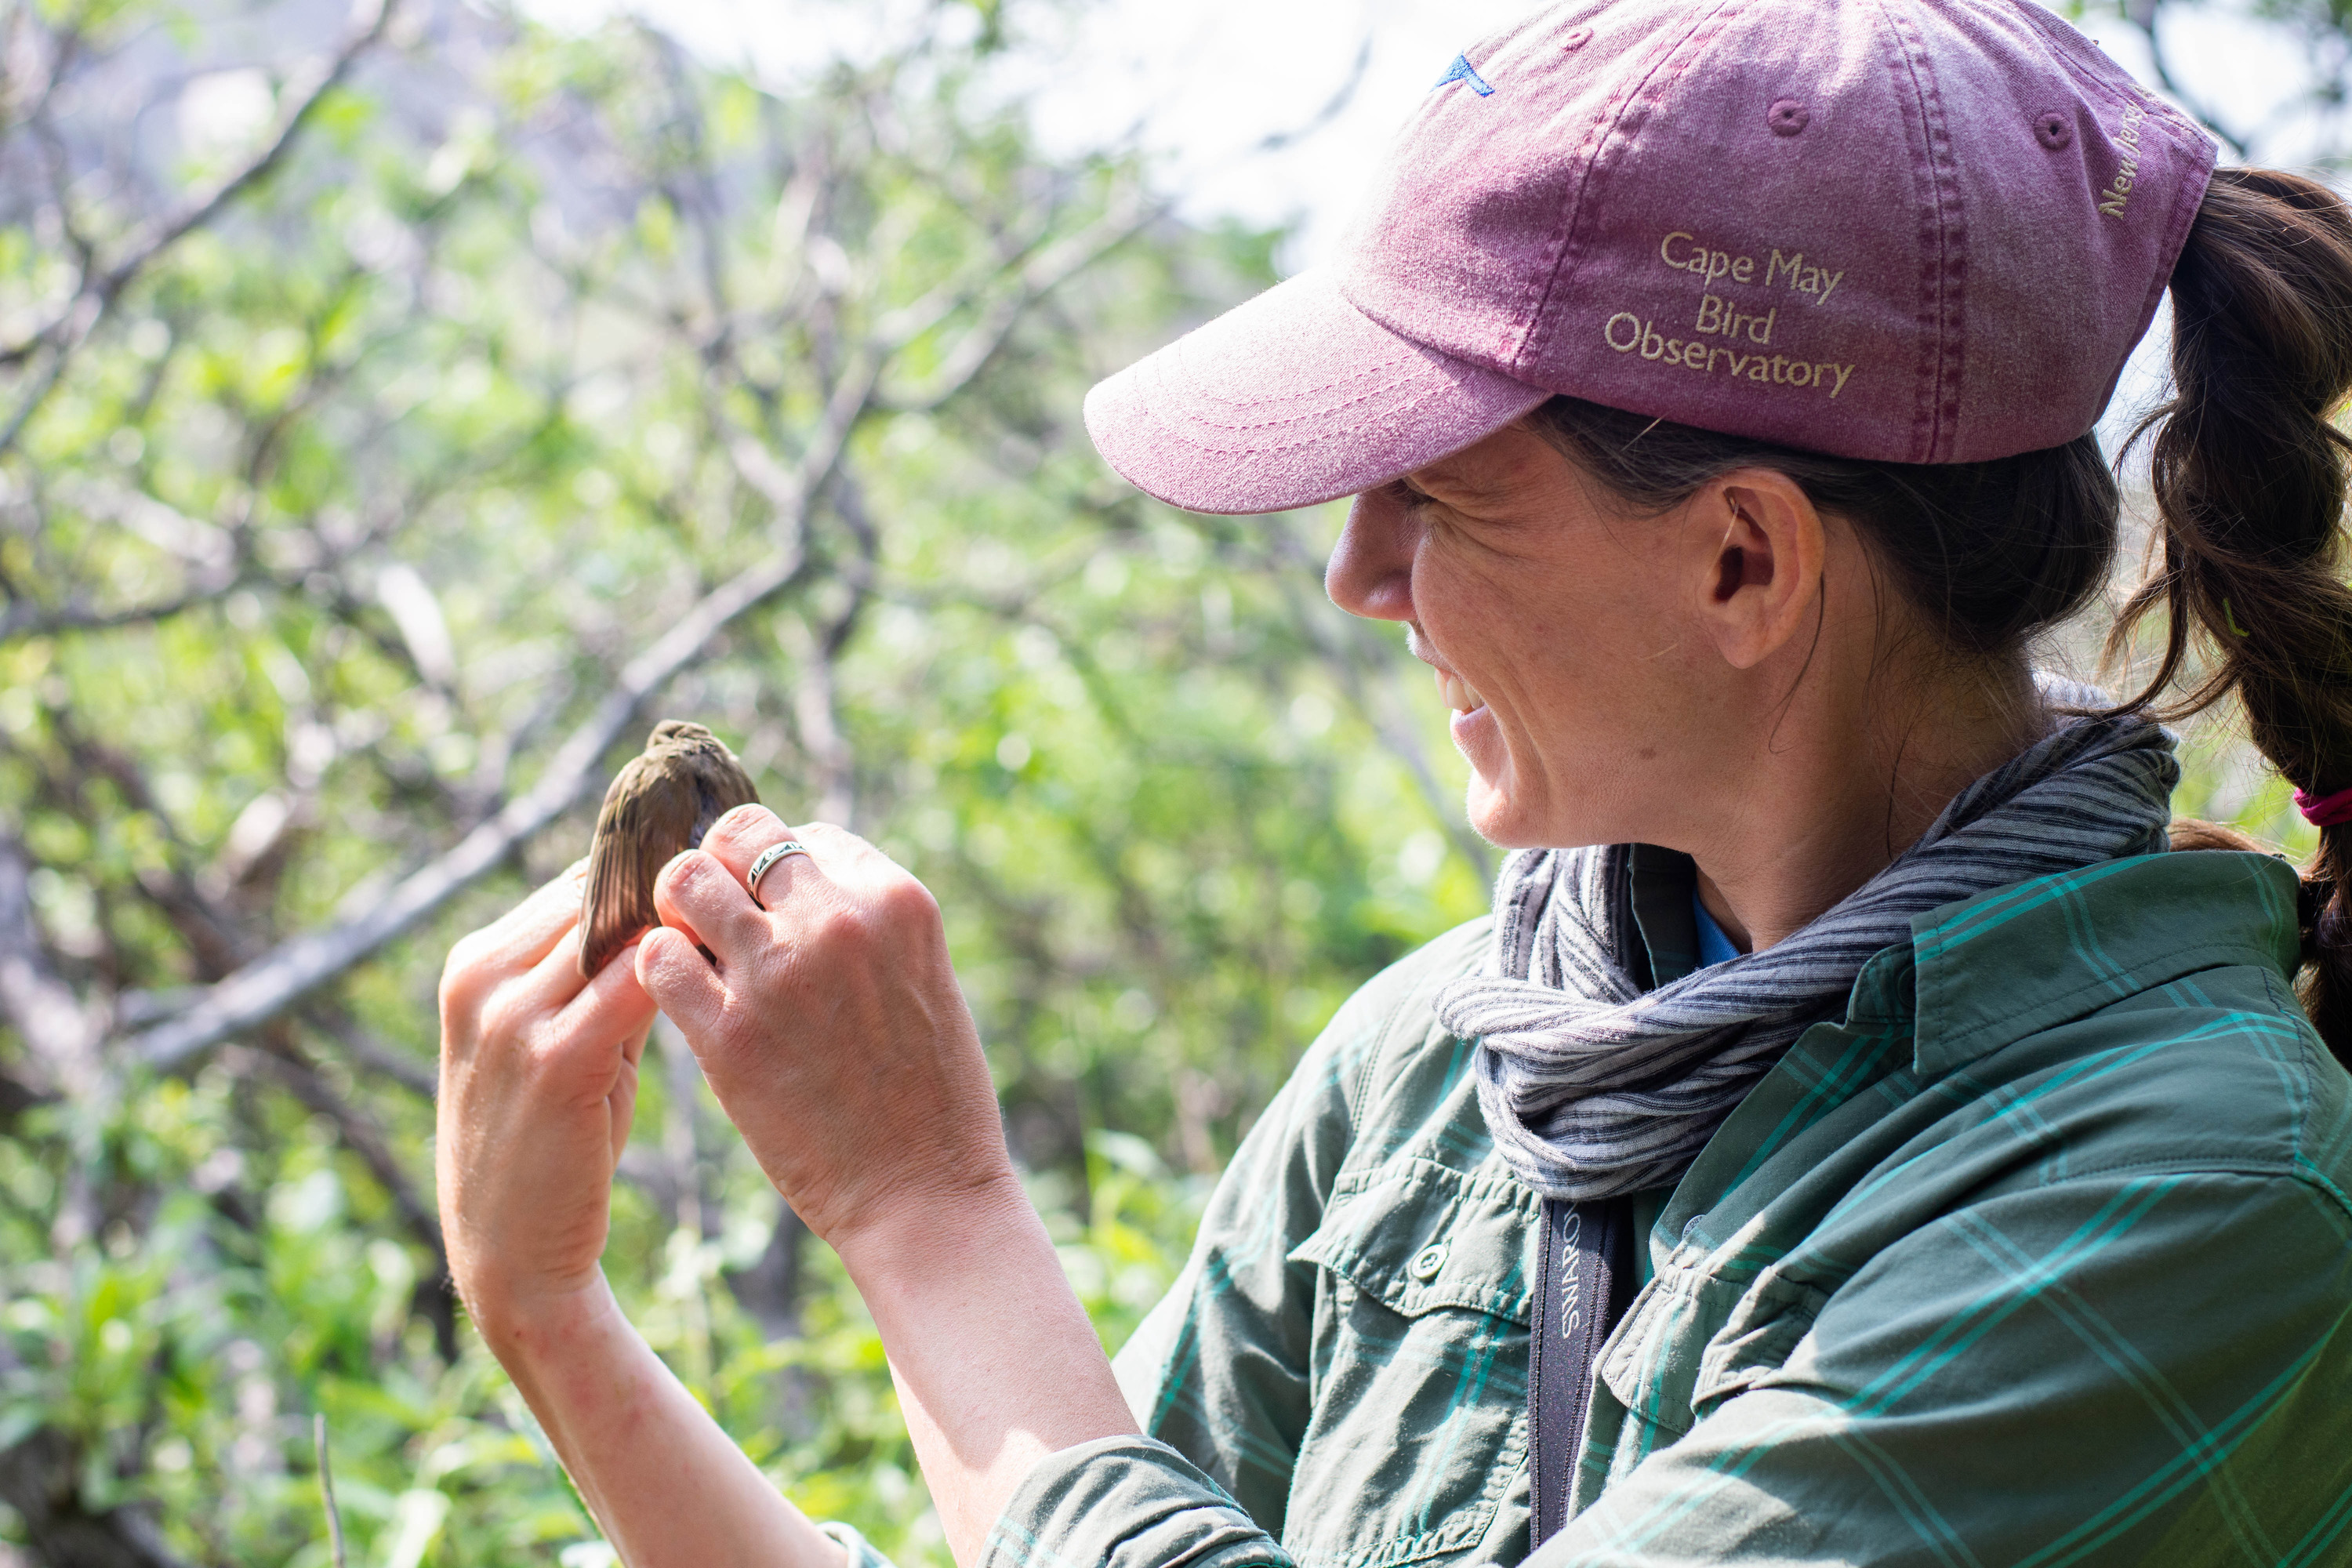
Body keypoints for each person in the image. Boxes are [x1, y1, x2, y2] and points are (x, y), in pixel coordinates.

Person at [432, 0, 2352, 1563]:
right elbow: (1043, 1526)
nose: (1356, 577)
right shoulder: (1455, 1052)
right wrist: (551, 1316)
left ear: (1742, 565)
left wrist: (927, 1205)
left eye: (1428, 491)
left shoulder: (2192, 1197)